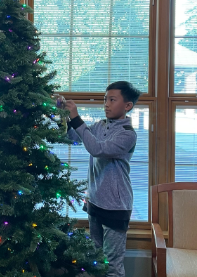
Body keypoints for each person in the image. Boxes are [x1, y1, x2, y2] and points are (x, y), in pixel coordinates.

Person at [63, 81, 142, 277]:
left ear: (127, 106)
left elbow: (98, 149)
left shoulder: (127, 134)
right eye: (105, 99)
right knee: (95, 259)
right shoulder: (99, 126)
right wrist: (65, 116)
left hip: (116, 206)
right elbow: (74, 137)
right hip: (95, 201)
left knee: (112, 265)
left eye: (112, 100)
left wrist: (77, 117)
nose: (106, 104)